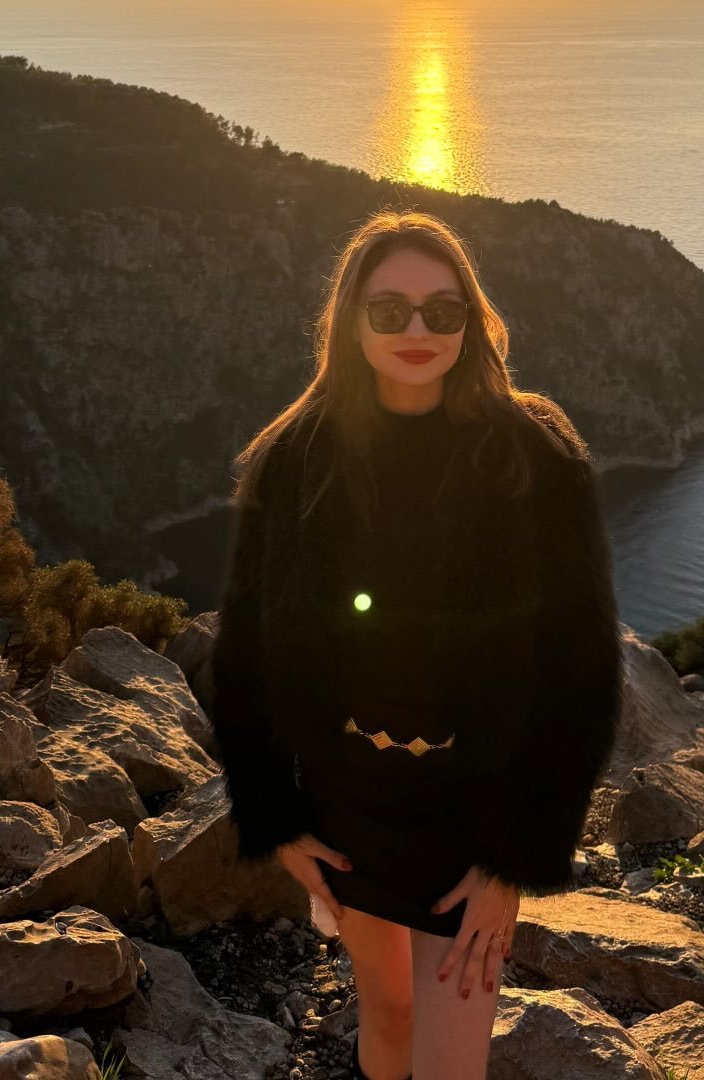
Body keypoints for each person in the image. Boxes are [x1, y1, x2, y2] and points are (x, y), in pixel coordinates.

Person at [208, 208, 623, 1080]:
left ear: (471, 322)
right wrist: (276, 819)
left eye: (443, 310)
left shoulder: (536, 457)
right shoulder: (296, 458)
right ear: (352, 322)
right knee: (388, 1013)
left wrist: (512, 858)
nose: (417, 330)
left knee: (450, 1059)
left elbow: (582, 673)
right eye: (390, 310)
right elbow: (244, 652)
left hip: (477, 812)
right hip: (348, 801)